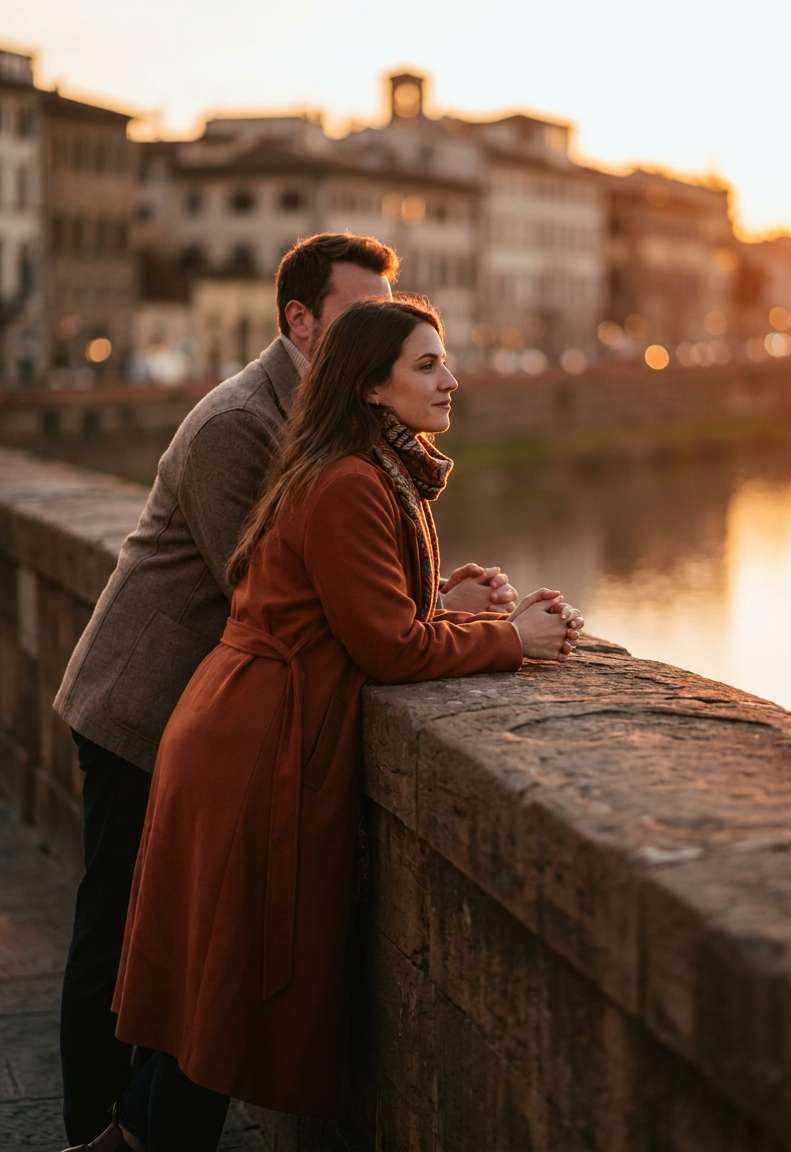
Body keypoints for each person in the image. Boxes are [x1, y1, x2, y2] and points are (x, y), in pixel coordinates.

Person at [62, 297, 583, 1152]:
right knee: (222, 990)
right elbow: (384, 646)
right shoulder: (348, 479)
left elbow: (359, 616)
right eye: (426, 364)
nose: (449, 378)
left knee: (209, 990)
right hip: (252, 744)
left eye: (443, 362)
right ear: (371, 386)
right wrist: (510, 640)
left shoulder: (361, 466)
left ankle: (127, 1141)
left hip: (247, 726)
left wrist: (458, 615)